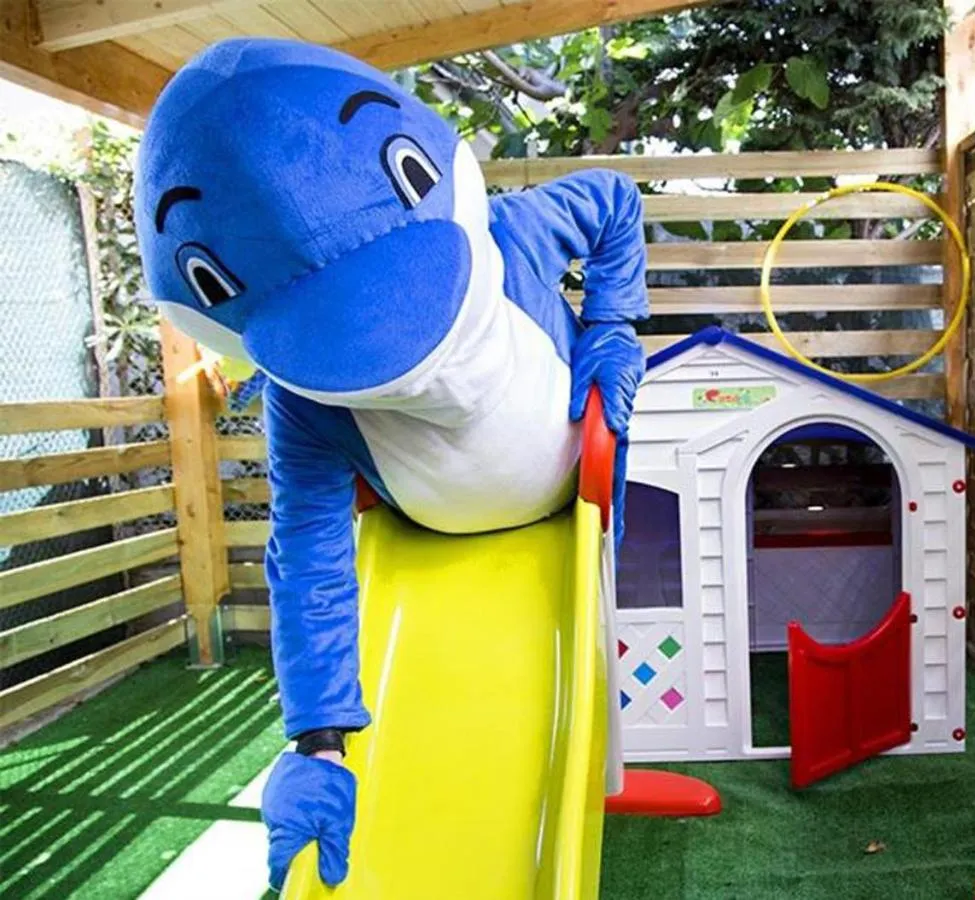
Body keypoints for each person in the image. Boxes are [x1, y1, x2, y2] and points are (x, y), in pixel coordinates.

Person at [134, 37, 647, 891]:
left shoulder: (519, 237)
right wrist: (318, 739)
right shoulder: (303, 402)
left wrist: (613, 326)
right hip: (423, 531)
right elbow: (309, 558)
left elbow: (616, 202)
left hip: (568, 500)